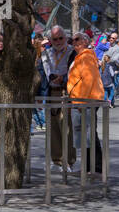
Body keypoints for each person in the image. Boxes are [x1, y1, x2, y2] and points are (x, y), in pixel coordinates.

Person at [67, 31, 105, 173]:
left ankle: (95, 167)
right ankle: (90, 166)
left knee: (89, 134)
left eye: (78, 40)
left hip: (86, 100)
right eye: (73, 40)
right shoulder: (80, 57)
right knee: (86, 135)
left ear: (85, 42)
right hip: (82, 100)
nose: (74, 42)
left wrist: (80, 102)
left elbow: (88, 80)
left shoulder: (87, 56)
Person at [43, 26, 75, 169]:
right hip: (51, 92)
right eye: (55, 39)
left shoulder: (72, 52)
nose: (58, 41)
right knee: (53, 127)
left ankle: (69, 160)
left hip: (66, 92)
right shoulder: (46, 53)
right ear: (50, 40)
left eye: (60, 38)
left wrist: (63, 78)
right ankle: (57, 160)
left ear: (66, 38)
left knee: (67, 128)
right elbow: (44, 72)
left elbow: (75, 72)